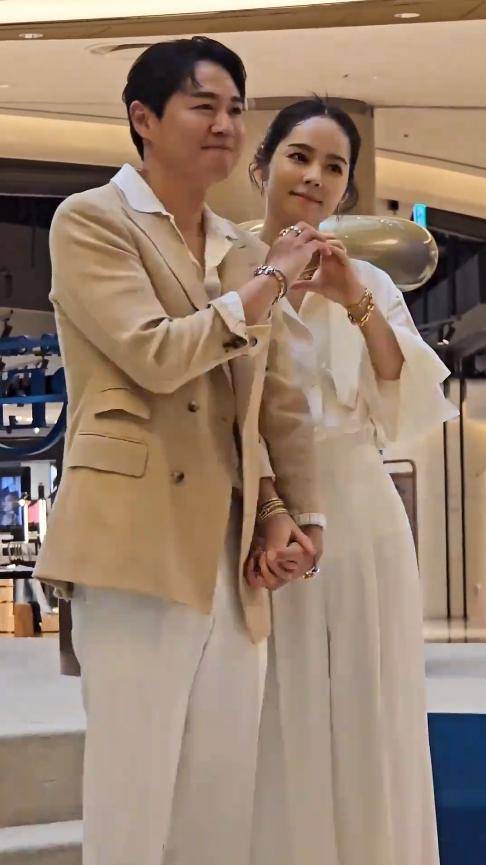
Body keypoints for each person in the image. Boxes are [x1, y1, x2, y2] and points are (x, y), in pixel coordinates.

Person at [34, 42, 327, 865]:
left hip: (231, 558)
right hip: (134, 543)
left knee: (219, 810)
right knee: (131, 809)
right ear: (144, 117)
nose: (226, 124)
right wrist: (269, 281)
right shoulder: (92, 220)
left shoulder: (239, 248)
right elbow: (155, 353)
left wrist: (293, 512)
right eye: (204, 106)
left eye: (236, 109)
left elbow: (267, 400)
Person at [249, 97, 457, 865]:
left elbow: (402, 398)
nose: (315, 176)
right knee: (276, 710)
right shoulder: (225, 265)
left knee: (372, 708)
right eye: (299, 156)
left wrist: (355, 300)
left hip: (364, 517)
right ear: (262, 166)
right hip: (267, 517)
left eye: (334, 166)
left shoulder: (362, 277)